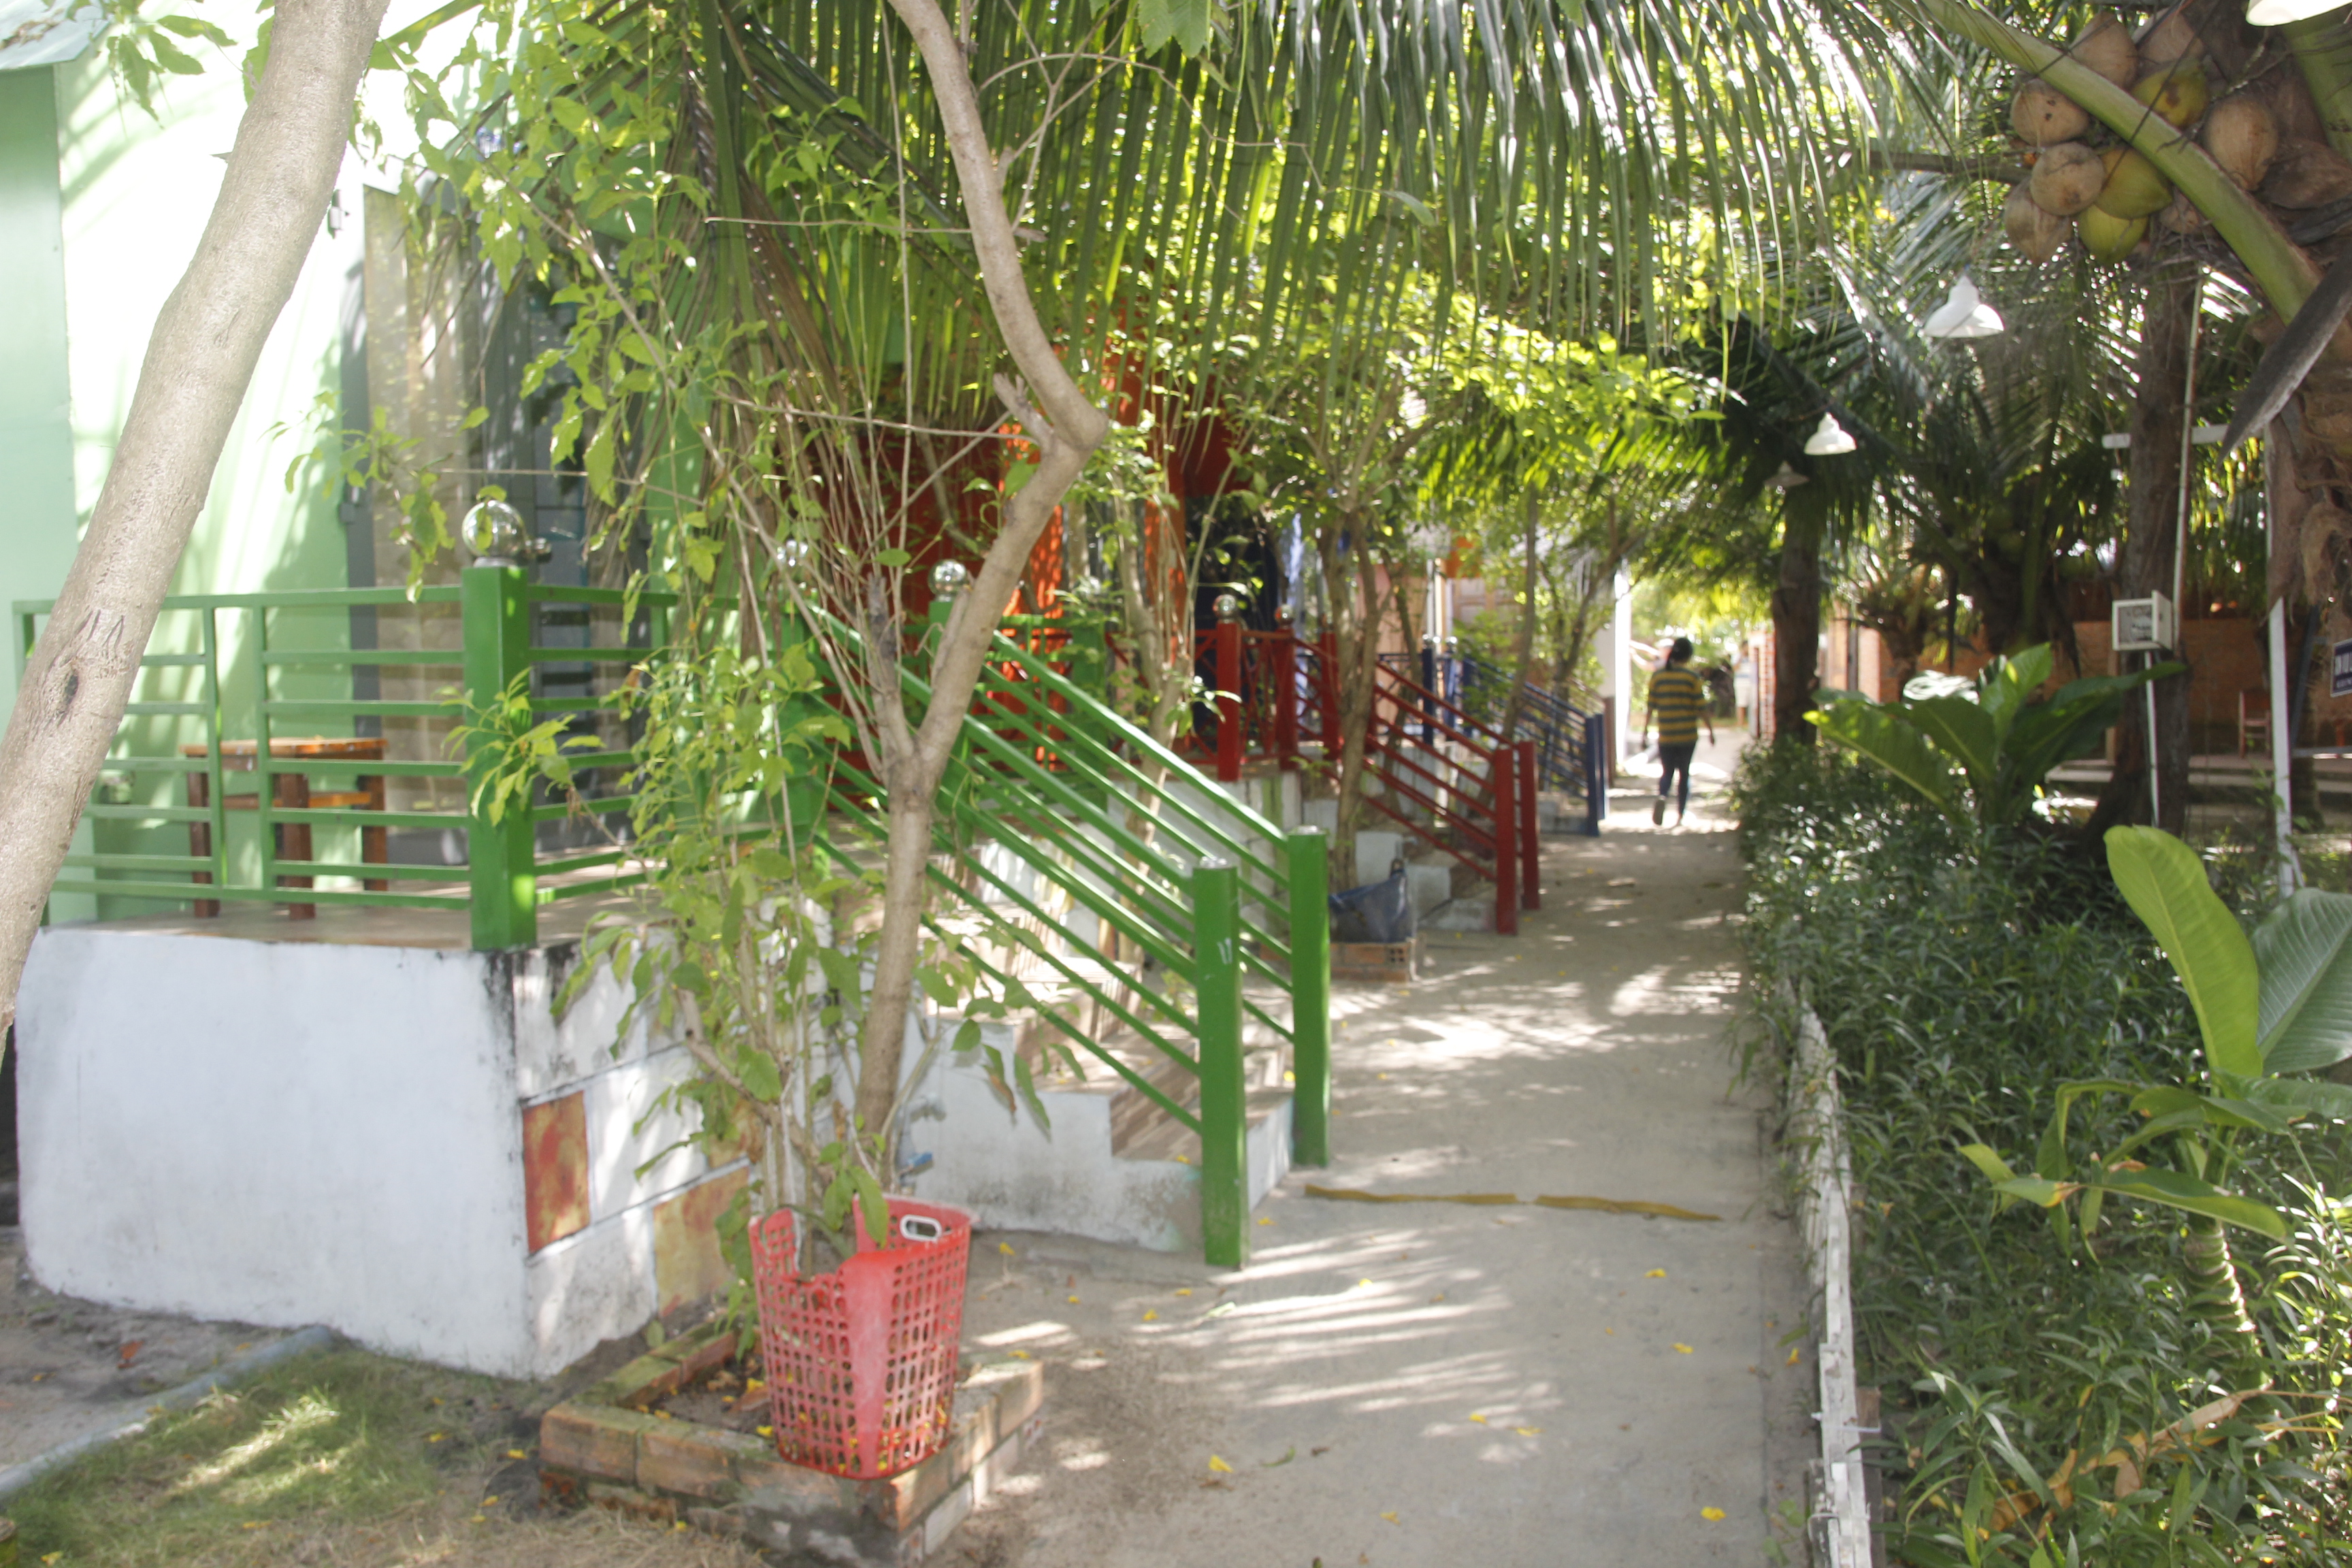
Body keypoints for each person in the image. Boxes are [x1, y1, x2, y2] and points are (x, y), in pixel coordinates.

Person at [1641, 636, 1714, 826]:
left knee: (1667, 772)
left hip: (1666, 734)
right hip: (1687, 734)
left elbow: (1650, 706)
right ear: (1688, 656)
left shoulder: (1658, 677)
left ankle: (1663, 795)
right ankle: (1682, 813)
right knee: (1684, 773)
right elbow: (1701, 707)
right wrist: (1710, 731)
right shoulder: (1692, 678)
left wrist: (1645, 731)